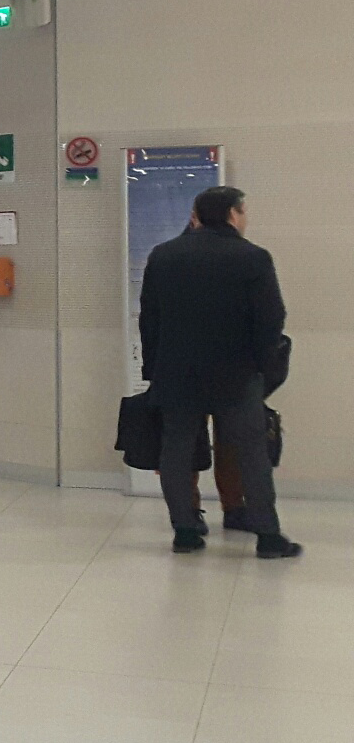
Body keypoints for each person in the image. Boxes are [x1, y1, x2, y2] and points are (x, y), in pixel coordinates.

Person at [139, 186, 300, 558]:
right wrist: (263, 365)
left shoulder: (164, 256)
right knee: (250, 453)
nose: (245, 219)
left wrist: (154, 368)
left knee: (176, 451)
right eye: (243, 211)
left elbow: (150, 319)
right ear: (231, 213)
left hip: (177, 374)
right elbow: (271, 318)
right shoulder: (253, 257)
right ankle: (268, 536)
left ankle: (185, 531)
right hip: (237, 374)